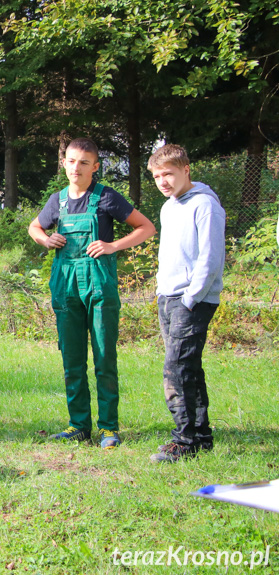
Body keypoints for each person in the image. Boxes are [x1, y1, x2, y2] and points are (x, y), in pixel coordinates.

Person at [28, 138, 155, 449]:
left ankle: (108, 428)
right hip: (65, 286)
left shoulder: (106, 197)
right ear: (64, 163)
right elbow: (34, 227)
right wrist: (46, 240)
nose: (76, 167)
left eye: (84, 162)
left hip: (99, 285)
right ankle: (78, 426)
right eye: (71, 161)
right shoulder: (57, 201)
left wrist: (112, 246)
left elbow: (146, 227)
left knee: (103, 358)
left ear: (95, 167)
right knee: (72, 359)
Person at [147, 144, 225, 463]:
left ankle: (184, 440)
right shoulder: (169, 207)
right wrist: (160, 290)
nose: (163, 181)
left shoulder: (205, 205)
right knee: (187, 366)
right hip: (168, 297)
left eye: (169, 173)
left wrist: (192, 297)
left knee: (176, 368)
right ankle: (201, 435)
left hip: (192, 299)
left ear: (185, 170)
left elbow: (210, 257)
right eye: (156, 176)